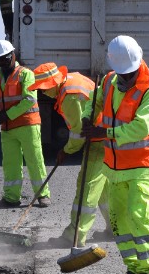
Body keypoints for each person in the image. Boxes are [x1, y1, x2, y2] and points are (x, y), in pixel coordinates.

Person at [82, 35, 149, 274]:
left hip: (141, 166)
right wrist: (87, 118)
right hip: (114, 167)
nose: (126, 79)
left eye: (129, 74)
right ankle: (134, 267)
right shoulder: (109, 81)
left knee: (139, 218)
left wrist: (104, 134)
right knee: (119, 220)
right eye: (122, 74)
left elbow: (140, 127)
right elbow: (93, 103)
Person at [28, 62, 110, 247]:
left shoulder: (69, 97)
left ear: (52, 84)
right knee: (103, 190)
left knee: (86, 187)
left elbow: (78, 133)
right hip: (103, 138)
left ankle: (74, 236)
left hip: (98, 141)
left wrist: (66, 151)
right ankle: (114, 229)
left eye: (43, 88)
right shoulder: (72, 81)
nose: (42, 93)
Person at [0, 39, 50, 208]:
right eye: (0, 60)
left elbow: (30, 99)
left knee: (34, 160)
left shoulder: (25, 74)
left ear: (13, 56)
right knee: (10, 164)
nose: (3, 62)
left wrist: (7, 114)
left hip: (27, 125)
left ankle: (42, 194)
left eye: (6, 58)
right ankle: (11, 197)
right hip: (7, 129)